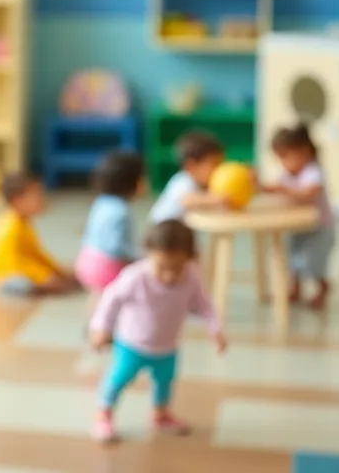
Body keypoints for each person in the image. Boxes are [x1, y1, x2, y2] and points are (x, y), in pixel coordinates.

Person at [88, 219, 226, 444]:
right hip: (132, 344)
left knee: (165, 381)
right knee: (119, 379)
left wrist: (215, 328)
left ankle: (160, 415)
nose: (169, 276)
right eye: (162, 267)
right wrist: (101, 327)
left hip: (167, 346)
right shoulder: (135, 277)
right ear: (148, 253)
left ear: (191, 258)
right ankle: (104, 414)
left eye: (177, 268)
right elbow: (110, 299)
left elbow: (204, 304)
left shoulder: (191, 275)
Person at [262, 122, 336, 310]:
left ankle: (323, 287)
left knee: (312, 263)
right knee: (291, 258)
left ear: (304, 152)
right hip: (297, 227)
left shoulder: (313, 172)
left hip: (319, 228)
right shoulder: (288, 174)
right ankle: (294, 289)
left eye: (286, 157)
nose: (283, 163)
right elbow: (276, 190)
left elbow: (308, 193)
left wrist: (282, 189)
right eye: (280, 158)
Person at [0, 172, 77, 295]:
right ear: (17, 201)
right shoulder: (10, 228)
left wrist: (57, 270)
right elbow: (16, 264)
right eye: (36, 195)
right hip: (7, 275)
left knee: (64, 275)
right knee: (25, 285)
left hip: (23, 267)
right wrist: (43, 277)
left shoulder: (23, 222)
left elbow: (35, 254)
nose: (42, 199)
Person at [75, 150, 144, 296]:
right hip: (106, 268)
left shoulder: (101, 201)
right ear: (133, 183)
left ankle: (93, 318)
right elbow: (117, 249)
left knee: (97, 296)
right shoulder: (122, 211)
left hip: (86, 260)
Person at [148, 129, 228, 223]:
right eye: (214, 164)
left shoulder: (202, 184)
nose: (219, 170)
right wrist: (217, 199)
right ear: (191, 166)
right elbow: (187, 201)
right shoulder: (183, 181)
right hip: (162, 231)